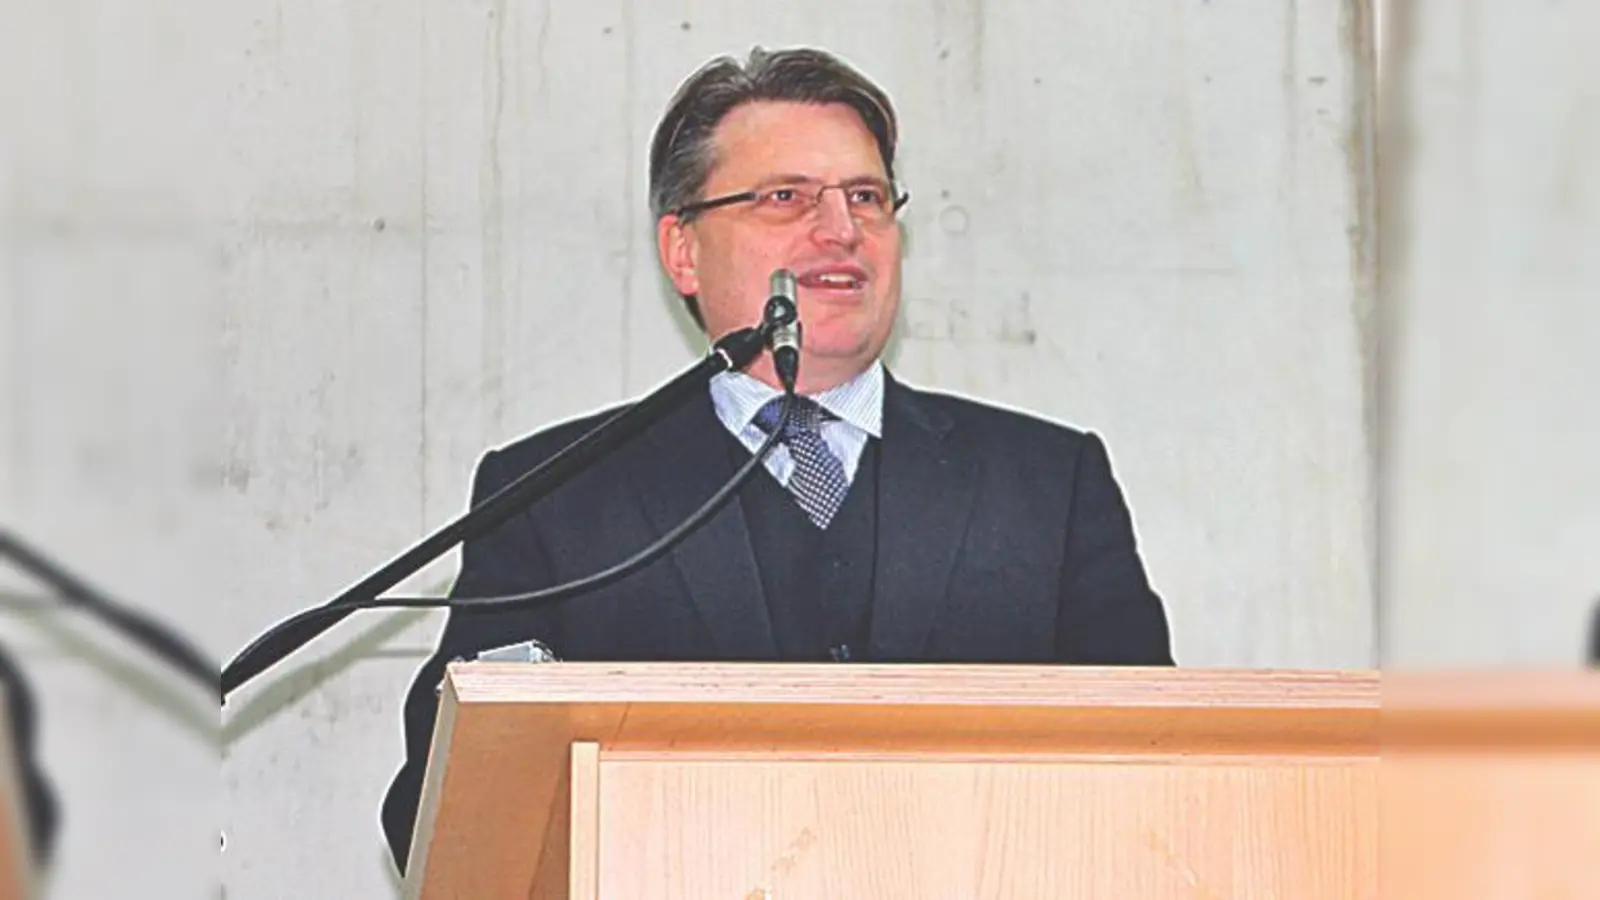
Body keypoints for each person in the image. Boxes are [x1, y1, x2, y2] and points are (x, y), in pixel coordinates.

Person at [380, 45, 1172, 874]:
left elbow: (1163, 780)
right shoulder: (554, 496)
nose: (840, 230)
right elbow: (440, 821)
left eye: (866, 197)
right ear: (682, 250)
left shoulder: (1048, 483)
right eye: (785, 197)